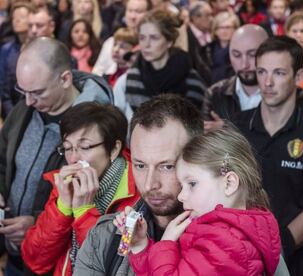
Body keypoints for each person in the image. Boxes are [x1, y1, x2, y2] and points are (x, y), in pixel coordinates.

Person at [0, 37, 113, 274]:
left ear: (65, 79)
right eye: (23, 91)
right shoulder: (26, 107)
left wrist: (36, 222)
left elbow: (97, 200)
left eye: (38, 93)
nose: (29, 101)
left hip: (57, 260)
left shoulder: (94, 129)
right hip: (13, 252)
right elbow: (2, 157)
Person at [117, 125, 281, 275]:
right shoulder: (219, 233)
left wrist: (166, 243)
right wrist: (140, 246)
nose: (181, 196)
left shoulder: (226, 244)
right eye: (182, 185)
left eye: (192, 184)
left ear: (229, 183)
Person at [236, 36, 303, 276]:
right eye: (262, 71)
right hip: (241, 255)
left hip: (297, 258)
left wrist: (274, 251)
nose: (268, 82)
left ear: (299, 76)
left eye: (279, 73)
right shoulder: (237, 126)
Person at [74, 94, 203, 275]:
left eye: (167, 166)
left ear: (200, 157)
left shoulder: (225, 239)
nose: (150, 184)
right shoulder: (106, 235)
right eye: (140, 165)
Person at [21, 102, 139, 275]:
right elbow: (35, 259)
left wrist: (84, 212)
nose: (74, 158)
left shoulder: (137, 196)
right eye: (67, 148)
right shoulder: (65, 186)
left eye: (85, 147)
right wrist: (62, 208)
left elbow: (119, 262)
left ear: (114, 149)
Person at [114, 10, 206, 121]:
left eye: (154, 38)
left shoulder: (192, 82)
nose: (146, 45)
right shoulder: (128, 81)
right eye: (142, 38)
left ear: (169, 42)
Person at [203, 24, 268, 131]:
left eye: (252, 55)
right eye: (237, 55)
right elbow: (207, 143)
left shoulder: (289, 94)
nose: (244, 65)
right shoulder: (215, 93)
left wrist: (228, 129)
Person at [92, 0, 151, 77]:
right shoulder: (110, 42)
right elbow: (96, 73)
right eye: (130, 11)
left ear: (149, 14)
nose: (132, 16)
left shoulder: (151, 44)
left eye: (138, 12)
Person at [0, 2, 33, 118]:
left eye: (21, 17)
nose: (16, 20)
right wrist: (12, 116)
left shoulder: (39, 48)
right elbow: (4, 88)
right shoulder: (6, 49)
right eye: (14, 17)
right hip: (11, 111)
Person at [207, 11, 239, 83]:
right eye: (221, 28)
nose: (224, 31)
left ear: (235, 29)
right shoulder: (205, 51)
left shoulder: (241, 51)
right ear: (215, 31)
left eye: (228, 27)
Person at [187, 1, 214, 85]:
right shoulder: (186, 37)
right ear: (195, 18)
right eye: (207, 15)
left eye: (211, 15)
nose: (211, 19)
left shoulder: (213, 33)